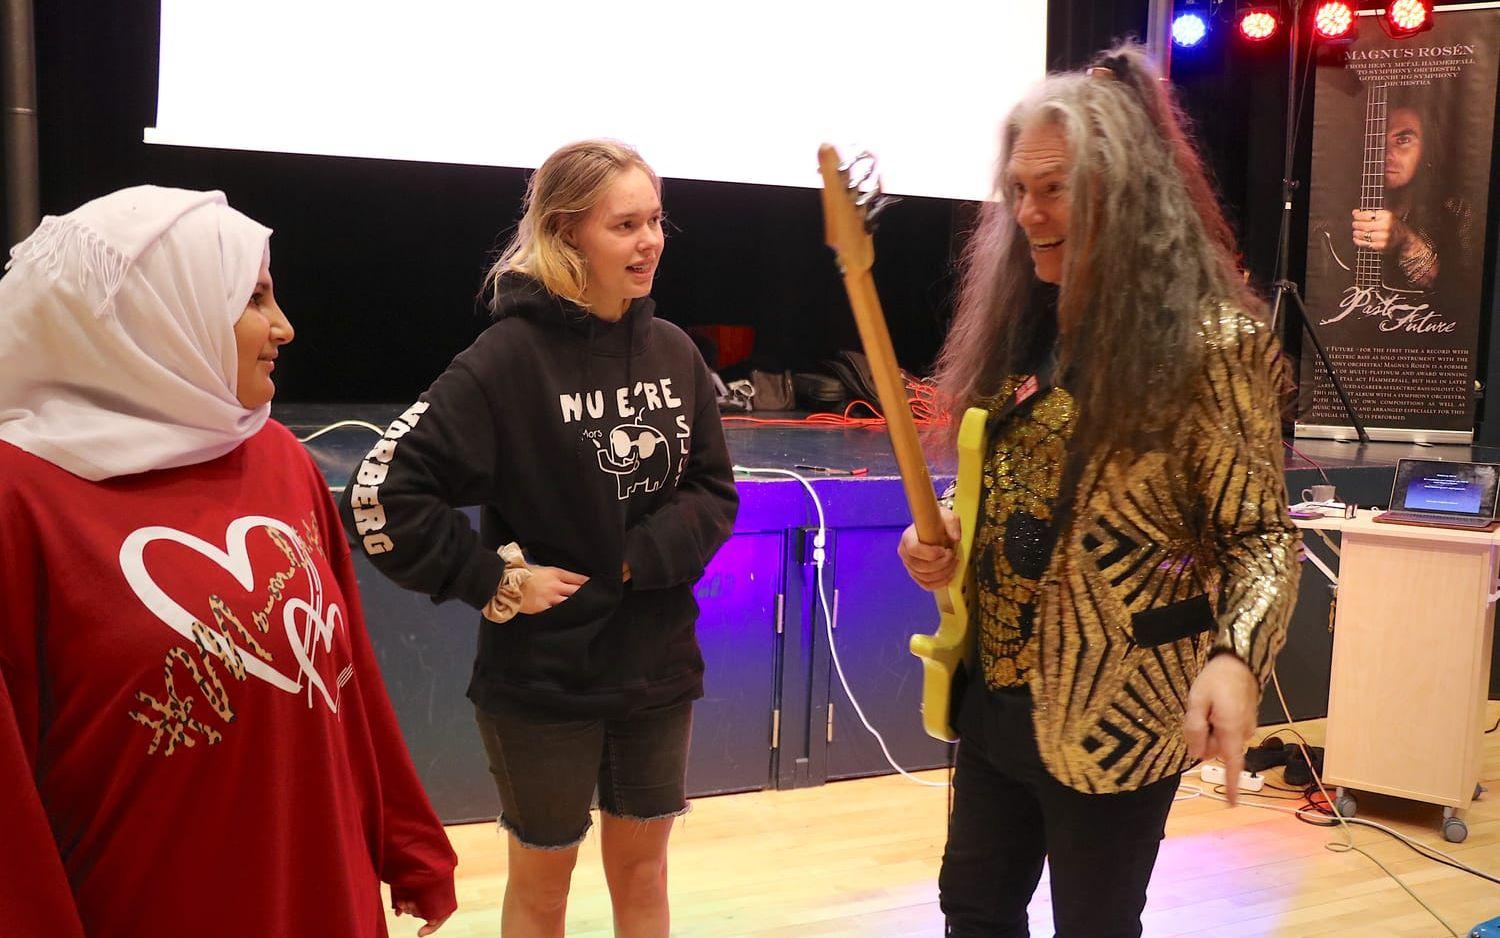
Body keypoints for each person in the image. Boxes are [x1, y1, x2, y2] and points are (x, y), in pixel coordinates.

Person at [898, 46, 1300, 937]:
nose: (1031, 214)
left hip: (1118, 703)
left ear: (1126, 193)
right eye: (1020, 191)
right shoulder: (1026, 327)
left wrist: (1235, 658)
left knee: (1095, 924)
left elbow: (1263, 537)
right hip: (997, 696)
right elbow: (1010, 486)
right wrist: (949, 536)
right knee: (972, 907)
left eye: (1057, 189)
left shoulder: (1215, 342)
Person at [0, 186, 457, 937]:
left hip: (318, 888)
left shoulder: (278, 458)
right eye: (252, 297)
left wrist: (406, 839)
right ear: (156, 310)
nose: (284, 326)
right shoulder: (20, 499)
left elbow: (345, 676)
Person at [340, 139, 738, 937]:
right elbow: (381, 493)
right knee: (543, 892)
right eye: (625, 224)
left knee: (645, 874)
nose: (650, 240)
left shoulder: (674, 352)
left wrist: (629, 559)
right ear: (566, 234)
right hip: (545, 680)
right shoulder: (507, 360)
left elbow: (711, 489)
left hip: (657, 668)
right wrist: (491, 579)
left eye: (656, 220)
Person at [1347, 97, 1475, 297]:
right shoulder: (1336, 212)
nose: (1386, 154)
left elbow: (1464, 297)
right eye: (1378, 140)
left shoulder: (1455, 211)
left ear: (1427, 151)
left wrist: (1407, 241)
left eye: (1403, 140)